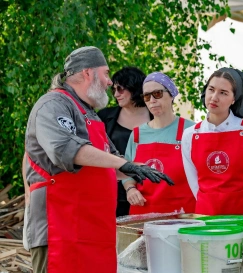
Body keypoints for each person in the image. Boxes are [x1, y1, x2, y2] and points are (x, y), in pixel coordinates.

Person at [23, 46, 173, 273]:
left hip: (93, 230)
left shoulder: (90, 113)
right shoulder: (53, 105)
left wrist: (139, 170)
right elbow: (65, 150)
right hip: (60, 228)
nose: (110, 82)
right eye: (105, 73)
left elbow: (111, 159)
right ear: (87, 73)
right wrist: (124, 164)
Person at [182, 67, 243, 220]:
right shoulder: (190, 135)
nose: (214, 97)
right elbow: (194, 183)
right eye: (211, 89)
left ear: (234, 99)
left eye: (223, 93)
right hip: (206, 216)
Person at [122, 72, 196, 214]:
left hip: (181, 214)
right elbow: (126, 172)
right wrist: (130, 189)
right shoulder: (137, 134)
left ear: (171, 95)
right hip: (143, 215)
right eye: (147, 96)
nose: (152, 100)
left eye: (157, 94)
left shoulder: (191, 131)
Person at [97, 67, 152, 217]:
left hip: (148, 192)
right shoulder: (104, 117)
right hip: (111, 193)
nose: (116, 94)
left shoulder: (157, 116)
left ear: (134, 87)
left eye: (120, 89)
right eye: (114, 89)